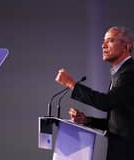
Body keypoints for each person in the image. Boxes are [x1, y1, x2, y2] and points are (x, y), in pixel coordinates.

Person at [55, 26, 134, 160]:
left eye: (110, 40)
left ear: (126, 46)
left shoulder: (130, 72)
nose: (103, 45)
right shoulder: (120, 73)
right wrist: (87, 120)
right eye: (103, 41)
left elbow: (106, 102)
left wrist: (72, 84)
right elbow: (119, 122)